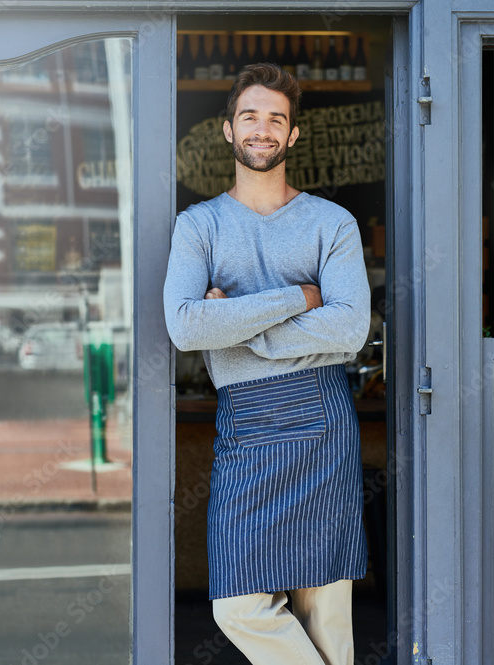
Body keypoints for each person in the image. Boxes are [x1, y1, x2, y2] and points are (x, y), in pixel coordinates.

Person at [163, 63, 371, 665]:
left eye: (275, 119)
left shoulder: (333, 223)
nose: (262, 129)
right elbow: (185, 326)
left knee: (325, 618)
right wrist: (297, 298)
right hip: (246, 426)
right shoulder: (198, 225)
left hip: (321, 423)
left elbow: (351, 328)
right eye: (249, 117)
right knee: (239, 606)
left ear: (293, 135)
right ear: (227, 130)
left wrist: (238, 329)